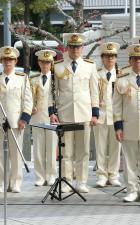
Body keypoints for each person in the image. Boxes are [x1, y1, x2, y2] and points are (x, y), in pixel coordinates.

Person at [49, 33, 99, 193]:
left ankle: (81, 182)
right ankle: (66, 181)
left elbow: (94, 91)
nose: (75, 49)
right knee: (66, 151)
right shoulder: (57, 66)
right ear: (67, 48)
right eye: (72, 46)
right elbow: (52, 92)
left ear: (82, 48)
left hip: (84, 114)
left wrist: (95, 113)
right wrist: (52, 112)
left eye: (78, 47)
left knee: (83, 151)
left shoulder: (90, 66)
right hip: (65, 114)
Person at [0, 46, 33, 193]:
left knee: (16, 154)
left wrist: (24, 118)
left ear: (15, 61)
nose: (8, 62)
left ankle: (16, 183)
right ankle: (1, 182)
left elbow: (28, 101)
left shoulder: (22, 78)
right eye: (5, 60)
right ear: (1, 61)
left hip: (16, 121)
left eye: (11, 60)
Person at [113, 43, 140, 202]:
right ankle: (132, 190)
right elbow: (116, 105)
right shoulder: (122, 79)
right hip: (128, 126)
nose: (138, 62)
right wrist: (118, 127)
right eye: (135, 59)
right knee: (129, 161)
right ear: (129, 61)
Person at [93, 42, 122, 188]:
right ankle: (101, 175)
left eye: (112, 56)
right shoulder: (97, 74)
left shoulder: (122, 75)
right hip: (101, 116)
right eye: (107, 56)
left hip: (116, 117)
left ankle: (114, 175)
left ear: (116, 58)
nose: (110, 59)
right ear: (102, 58)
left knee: (116, 148)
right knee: (100, 147)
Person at [30, 50, 57, 186]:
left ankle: (51, 175)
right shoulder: (33, 79)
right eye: (43, 62)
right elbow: (28, 98)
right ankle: (40, 176)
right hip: (37, 117)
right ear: (39, 63)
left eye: (48, 62)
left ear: (51, 63)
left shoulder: (57, 79)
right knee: (38, 149)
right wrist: (30, 109)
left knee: (52, 148)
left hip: (52, 118)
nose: (45, 65)